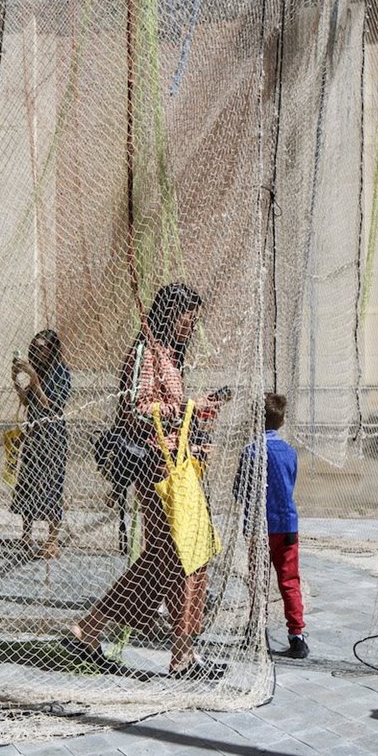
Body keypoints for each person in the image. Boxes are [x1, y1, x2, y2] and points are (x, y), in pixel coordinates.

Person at [66, 281, 224, 679]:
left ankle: (169, 648)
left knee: (184, 557)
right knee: (175, 557)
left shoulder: (171, 356)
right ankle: (94, 629)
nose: (192, 326)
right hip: (156, 470)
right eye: (189, 318)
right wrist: (188, 408)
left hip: (178, 466)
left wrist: (195, 426)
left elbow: (170, 413)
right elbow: (137, 411)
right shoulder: (147, 352)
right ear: (172, 315)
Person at [234, 391, 308, 659]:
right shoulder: (289, 452)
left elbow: (239, 491)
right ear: (282, 420)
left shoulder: (250, 452)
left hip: (257, 527)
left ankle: (257, 632)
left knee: (258, 581)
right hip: (287, 525)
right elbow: (291, 483)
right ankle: (297, 635)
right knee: (289, 581)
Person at [11, 330, 72, 557]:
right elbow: (27, 401)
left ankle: (52, 540)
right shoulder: (41, 371)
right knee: (28, 481)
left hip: (53, 435)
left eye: (43, 347)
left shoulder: (61, 372)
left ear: (52, 349)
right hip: (34, 433)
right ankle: (25, 535)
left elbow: (52, 406)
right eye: (35, 347)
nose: (39, 351)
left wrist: (34, 379)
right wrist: (16, 379)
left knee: (52, 485)